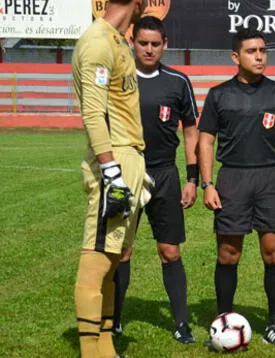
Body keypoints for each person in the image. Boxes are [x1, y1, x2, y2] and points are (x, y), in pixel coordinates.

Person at [197, 27, 275, 348]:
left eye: (262, 50)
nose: (259, 56)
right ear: (236, 57)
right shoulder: (219, 94)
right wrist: (207, 183)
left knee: (274, 254)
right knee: (228, 254)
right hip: (232, 179)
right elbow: (205, 141)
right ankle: (223, 323)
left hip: (272, 179)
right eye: (251, 51)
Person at [111, 16, 199, 344]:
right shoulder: (118, 77)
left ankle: (181, 324)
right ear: (132, 42)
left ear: (165, 45)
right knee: (121, 252)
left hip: (165, 174)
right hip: (125, 173)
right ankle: (115, 320)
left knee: (170, 251)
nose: (149, 49)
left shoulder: (178, 82)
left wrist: (192, 179)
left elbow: (191, 132)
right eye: (143, 43)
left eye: (155, 44)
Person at [71, 0, 147, 357]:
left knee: (114, 259)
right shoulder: (99, 41)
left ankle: (106, 348)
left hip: (129, 157)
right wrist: (112, 172)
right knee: (97, 259)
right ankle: (91, 353)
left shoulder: (117, 39)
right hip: (114, 159)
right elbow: (92, 111)